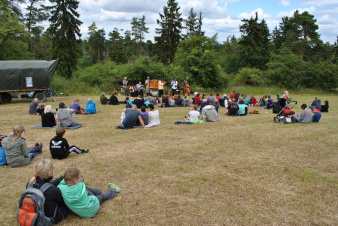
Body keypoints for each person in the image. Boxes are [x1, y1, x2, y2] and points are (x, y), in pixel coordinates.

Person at [26, 159, 69, 224]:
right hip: (52, 217)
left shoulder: (30, 184)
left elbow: (46, 186)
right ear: (49, 173)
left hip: (36, 214)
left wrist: (60, 179)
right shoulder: (52, 190)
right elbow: (64, 200)